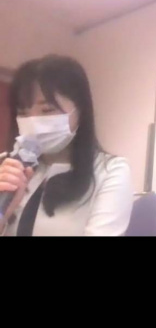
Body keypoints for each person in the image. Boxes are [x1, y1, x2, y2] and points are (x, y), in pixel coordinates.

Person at [0, 55, 134, 236]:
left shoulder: (110, 171)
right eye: (23, 112)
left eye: (47, 110)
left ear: (80, 110)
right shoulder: (6, 166)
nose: (33, 122)